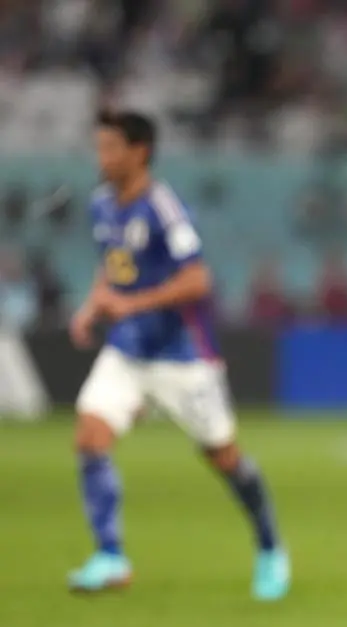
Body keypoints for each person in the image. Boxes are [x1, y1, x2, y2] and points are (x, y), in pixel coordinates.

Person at [68, 110, 290, 601]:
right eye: (99, 147)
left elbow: (197, 280)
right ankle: (110, 556)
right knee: (90, 437)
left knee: (224, 456)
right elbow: (113, 268)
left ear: (139, 151)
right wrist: (92, 307)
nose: (101, 157)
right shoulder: (101, 205)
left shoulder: (164, 208)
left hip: (182, 356)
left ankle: (271, 548)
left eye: (110, 148)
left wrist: (130, 303)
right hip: (127, 351)